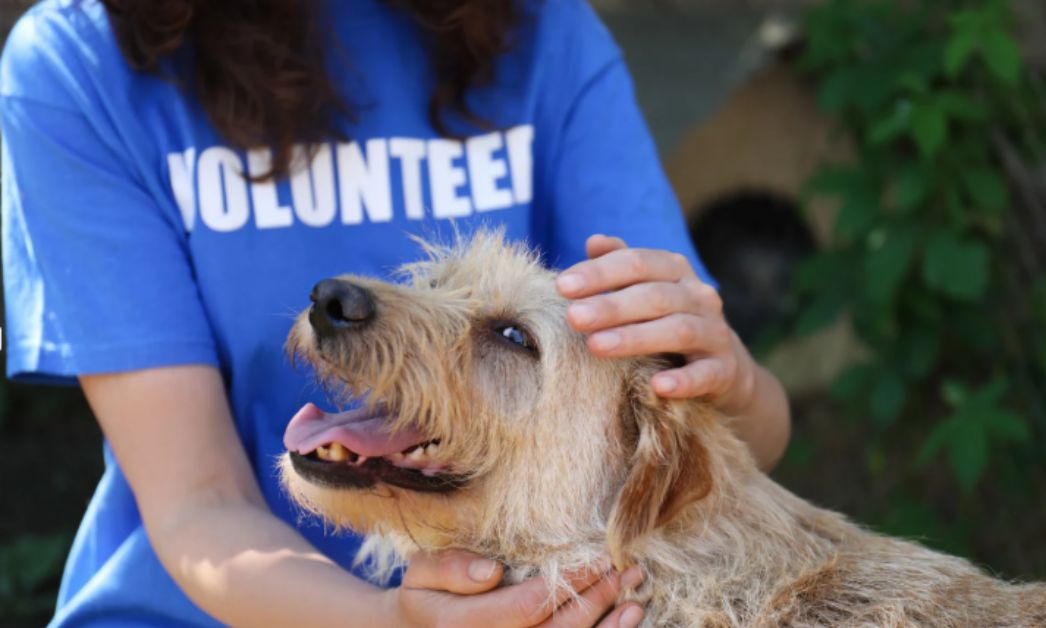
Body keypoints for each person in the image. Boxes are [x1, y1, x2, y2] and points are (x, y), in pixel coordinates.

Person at [0, 0, 791, 625]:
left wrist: (736, 383)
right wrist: (391, 620)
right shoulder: (79, 65)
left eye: (505, 334)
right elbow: (199, 502)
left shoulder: (542, 31)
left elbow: (718, 446)